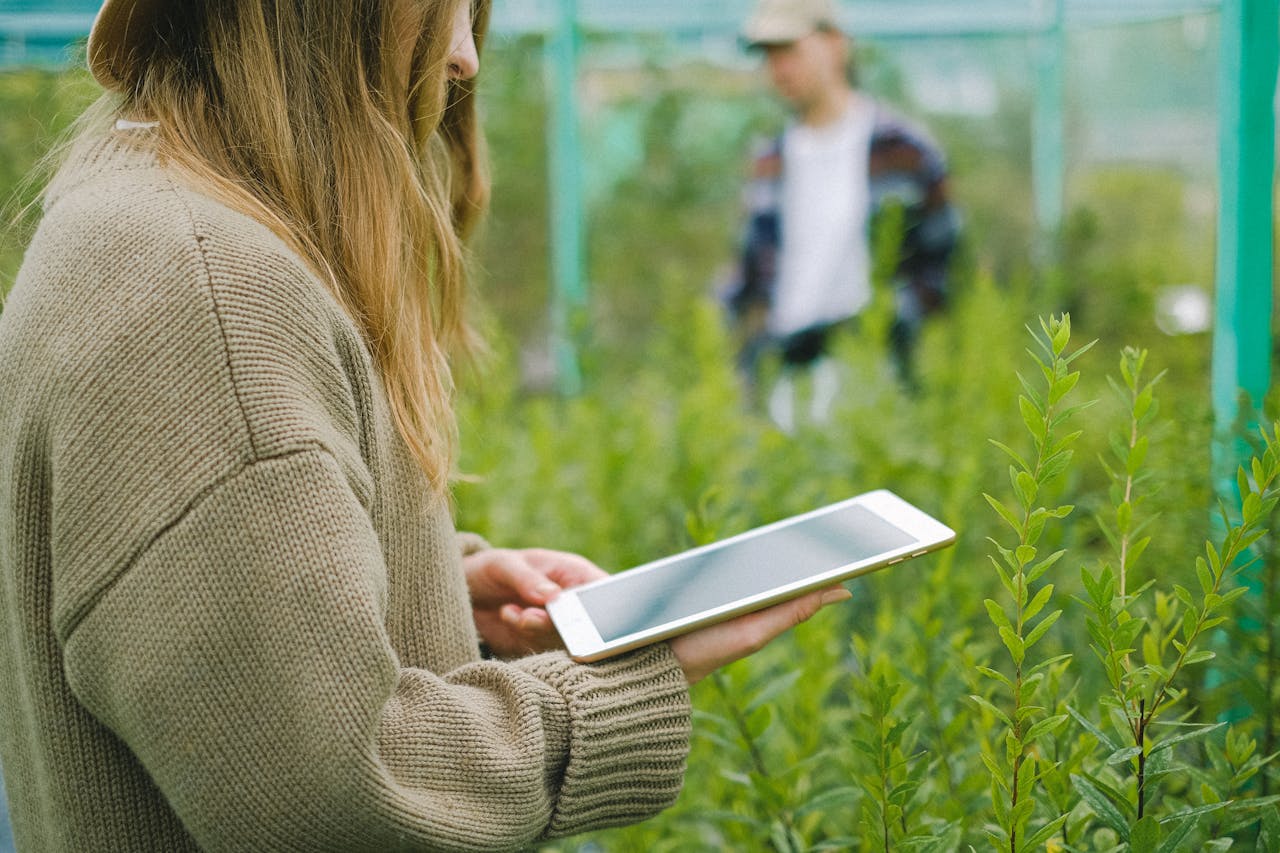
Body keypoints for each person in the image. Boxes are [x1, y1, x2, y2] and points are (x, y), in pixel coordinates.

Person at [0, 1, 853, 850]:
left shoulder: (139, 226)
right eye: (441, 11)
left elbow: (196, 591)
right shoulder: (203, 288)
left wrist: (446, 590)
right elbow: (336, 792)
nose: (465, 59)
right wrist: (622, 683)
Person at [725, 0, 960, 429]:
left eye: (789, 50)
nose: (779, 69)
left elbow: (940, 272)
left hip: (878, 381)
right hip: (785, 385)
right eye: (768, 56)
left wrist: (868, 331)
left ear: (835, 45)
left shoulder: (903, 153)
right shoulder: (769, 162)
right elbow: (749, 277)